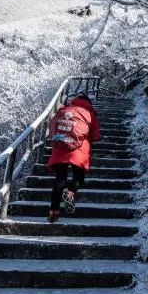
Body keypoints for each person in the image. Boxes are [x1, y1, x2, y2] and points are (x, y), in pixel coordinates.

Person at [46, 93, 101, 223]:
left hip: (60, 147)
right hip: (79, 150)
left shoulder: (64, 110)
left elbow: (52, 127)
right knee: (78, 177)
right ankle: (70, 192)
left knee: (60, 179)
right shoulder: (89, 113)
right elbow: (96, 135)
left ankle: (53, 211)